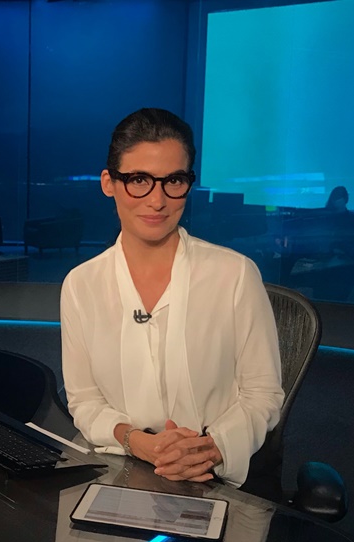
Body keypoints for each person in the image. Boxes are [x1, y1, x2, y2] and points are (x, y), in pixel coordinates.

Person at [60, 108, 284, 491]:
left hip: (211, 476)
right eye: (139, 180)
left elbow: (262, 395)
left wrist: (208, 450)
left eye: (174, 180)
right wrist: (140, 443)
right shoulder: (81, 285)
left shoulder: (234, 274)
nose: (158, 200)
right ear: (108, 183)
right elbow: (84, 402)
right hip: (121, 471)